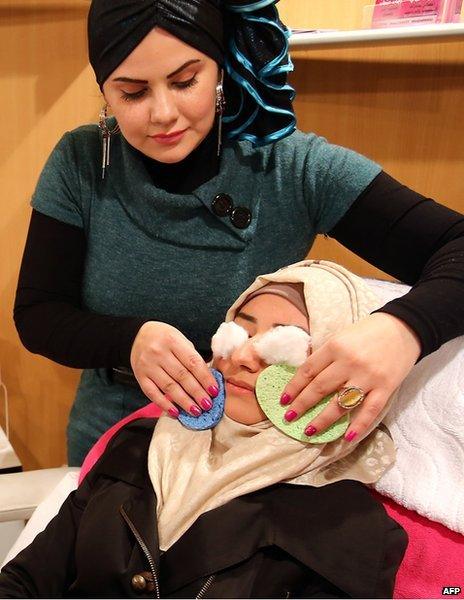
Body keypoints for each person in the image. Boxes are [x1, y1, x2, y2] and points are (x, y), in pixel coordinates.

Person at [13, 0, 464, 466]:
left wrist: (401, 329)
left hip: (252, 444)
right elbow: (39, 313)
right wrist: (128, 340)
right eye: (132, 93)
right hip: (113, 433)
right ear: (104, 90)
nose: (163, 113)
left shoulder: (294, 169)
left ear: (222, 68)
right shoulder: (81, 162)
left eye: (186, 81)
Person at [0, 260, 408, 599]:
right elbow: (24, 581)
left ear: (340, 376)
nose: (244, 356)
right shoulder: (138, 446)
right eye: (241, 331)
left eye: (283, 342)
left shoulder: (348, 530)